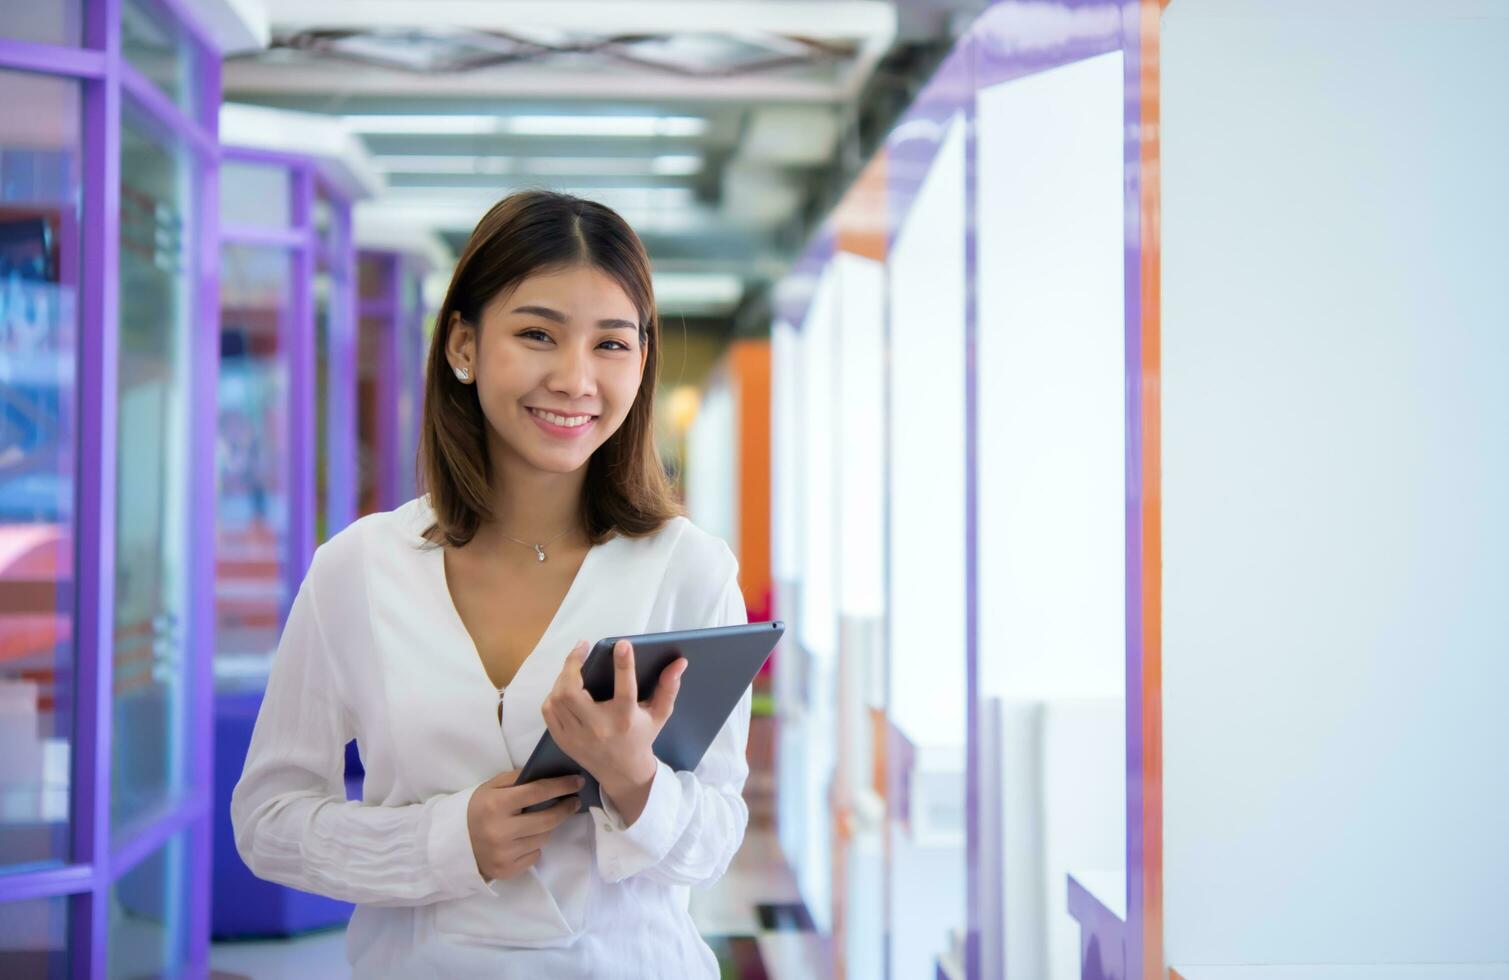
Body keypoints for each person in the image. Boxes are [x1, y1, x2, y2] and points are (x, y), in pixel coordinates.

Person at [230, 190, 752, 978]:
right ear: (464, 348)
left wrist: (636, 781)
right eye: (538, 334)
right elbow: (267, 822)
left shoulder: (688, 569)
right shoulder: (361, 567)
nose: (576, 379)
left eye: (611, 344)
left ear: (642, 362)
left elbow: (716, 838)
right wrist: (447, 841)